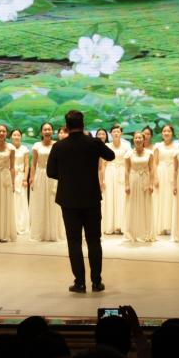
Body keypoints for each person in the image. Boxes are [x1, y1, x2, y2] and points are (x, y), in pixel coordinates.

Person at [46, 110, 115, 293]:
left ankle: (80, 283)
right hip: (91, 198)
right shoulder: (94, 143)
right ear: (83, 124)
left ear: (66, 127)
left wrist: (67, 177)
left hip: (69, 200)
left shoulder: (59, 146)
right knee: (94, 241)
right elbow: (111, 156)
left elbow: (50, 172)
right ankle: (96, 282)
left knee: (74, 242)